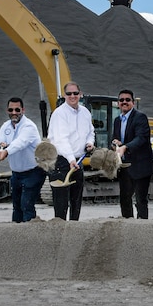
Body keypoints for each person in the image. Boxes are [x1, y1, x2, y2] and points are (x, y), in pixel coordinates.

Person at [48, 81, 94, 221]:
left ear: (80, 94)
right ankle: (60, 231)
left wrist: (89, 143)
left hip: (78, 161)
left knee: (76, 201)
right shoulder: (59, 114)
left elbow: (91, 132)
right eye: (69, 94)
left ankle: (74, 229)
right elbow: (62, 139)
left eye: (75, 93)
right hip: (62, 162)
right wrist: (71, 159)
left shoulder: (85, 112)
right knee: (61, 203)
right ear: (64, 95)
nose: (72, 96)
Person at [0, 96, 43, 223]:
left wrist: (6, 150)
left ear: (23, 110)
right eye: (11, 110)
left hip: (33, 172)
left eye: (17, 110)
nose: (14, 113)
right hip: (16, 174)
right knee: (16, 207)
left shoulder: (29, 127)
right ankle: (15, 235)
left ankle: (29, 234)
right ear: (7, 111)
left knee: (26, 205)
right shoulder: (5, 127)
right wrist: (0, 149)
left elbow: (21, 143)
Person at [112, 88, 153, 219]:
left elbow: (141, 138)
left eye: (127, 100)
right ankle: (127, 225)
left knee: (141, 200)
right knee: (124, 199)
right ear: (118, 103)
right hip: (125, 165)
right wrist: (115, 143)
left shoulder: (140, 117)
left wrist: (125, 147)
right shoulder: (117, 120)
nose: (124, 102)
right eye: (121, 100)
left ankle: (141, 228)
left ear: (133, 102)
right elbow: (114, 138)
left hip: (140, 165)